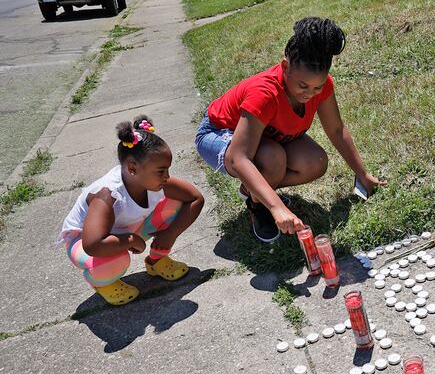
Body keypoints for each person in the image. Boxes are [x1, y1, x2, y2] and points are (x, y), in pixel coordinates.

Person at [195, 17, 385, 243]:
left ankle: (253, 191)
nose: (309, 93)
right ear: (285, 67)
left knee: (315, 162)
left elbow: (335, 129)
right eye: (302, 86)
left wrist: (362, 174)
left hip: (264, 137)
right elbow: (238, 157)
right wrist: (277, 207)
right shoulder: (264, 93)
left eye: (318, 87)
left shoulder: (321, 87)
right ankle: (260, 206)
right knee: (273, 158)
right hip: (218, 132)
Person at [58, 116, 204, 306]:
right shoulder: (107, 195)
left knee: (176, 202)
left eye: (167, 169)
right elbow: (92, 244)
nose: (167, 177)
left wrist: (169, 234)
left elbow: (195, 198)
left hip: (122, 229)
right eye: (161, 171)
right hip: (82, 240)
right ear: (132, 168)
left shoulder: (151, 181)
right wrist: (131, 239)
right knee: (117, 260)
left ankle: (156, 260)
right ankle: (101, 282)